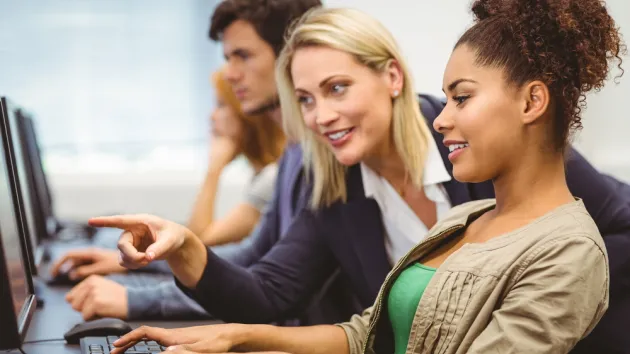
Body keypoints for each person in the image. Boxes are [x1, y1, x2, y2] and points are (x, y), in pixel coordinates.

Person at [101, 3, 630, 353]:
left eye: (336, 89)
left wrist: (554, 290)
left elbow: (598, 230)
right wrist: (186, 252)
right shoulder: (339, 185)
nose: (319, 117)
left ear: (391, 77)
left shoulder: (484, 146)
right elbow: (286, 299)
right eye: (305, 101)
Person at [51, 0, 324, 322]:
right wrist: (150, 258)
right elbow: (251, 257)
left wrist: (134, 298)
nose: (230, 74)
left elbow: (271, 289)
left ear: (292, 56)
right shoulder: (294, 155)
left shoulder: (323, 160)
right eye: (227, 58)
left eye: (244, 56)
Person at [53, 68, 286, 320]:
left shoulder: (272, 177)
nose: (212, 116)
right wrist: (140, 260)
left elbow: (201, 240)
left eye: (221, 105)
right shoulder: (266, 173)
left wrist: (214, 169)